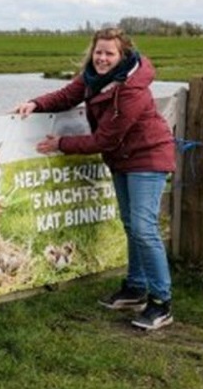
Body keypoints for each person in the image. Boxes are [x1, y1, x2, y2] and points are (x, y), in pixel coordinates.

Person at [12, 27, 176, 331]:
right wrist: (36, 103)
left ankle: (161, 302)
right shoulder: (92, 77)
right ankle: (135, 288)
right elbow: (67, 95)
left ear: (122, 56)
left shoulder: (131, 90)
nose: (102, 58)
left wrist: (61, 143)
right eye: (98, 52)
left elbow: (105, 139)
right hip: (122, 160)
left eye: (109, 53)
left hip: (147, 157)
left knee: (144, 228)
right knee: (131, 225)